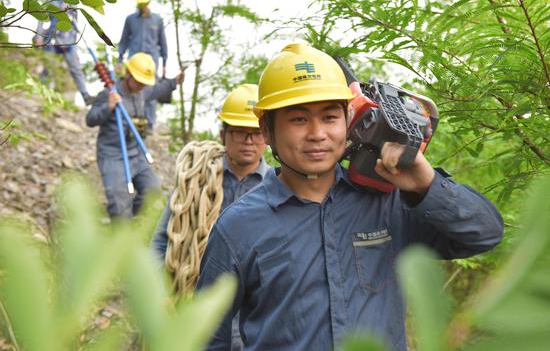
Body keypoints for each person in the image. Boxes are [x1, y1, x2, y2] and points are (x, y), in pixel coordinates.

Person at [196, 43, 504, 351]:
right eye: (299, 119)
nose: (317, 133)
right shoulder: (238, 227)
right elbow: (208, 337)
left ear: (349, 121)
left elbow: (484, 234)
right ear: (267, 129)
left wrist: (426, 183)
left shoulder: (390, 203)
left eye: (330, 117)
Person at [151, 84, 270, 351]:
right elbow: (162, 241)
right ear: (223, 134)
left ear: (268, 135)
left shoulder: (277, 187)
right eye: (239, 132)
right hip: (194, 305)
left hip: (251, 315)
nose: (249, 140)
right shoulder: (196, 182)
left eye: (256, 133)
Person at [86, 52, 183, 218]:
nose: (142, 85)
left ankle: (128, 215)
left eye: (145, 82)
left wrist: (174, 82)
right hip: (113, 155)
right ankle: (121, 227)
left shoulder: (142, 92)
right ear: (128, 74)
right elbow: (90, 120)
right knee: (119, 203)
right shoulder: (109, 94)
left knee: (152, 192)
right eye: (139, 81)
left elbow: (158, 89)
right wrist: (108, 107)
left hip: (136, 153)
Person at [117, 0, 168, 131]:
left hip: (151, 63)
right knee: (133, 90)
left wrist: (165, 63)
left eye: (143, 3)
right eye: (139, 3)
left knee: (150, 92)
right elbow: (124, 40)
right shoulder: (130, 19)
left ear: (148, 1)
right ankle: (132, 121)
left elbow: (162, 42)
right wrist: (120, 59)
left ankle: (149, 125)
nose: (141, 6)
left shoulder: (157, 20)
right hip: (134, 61)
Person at [34, 0, 94, 105]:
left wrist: (75, 41)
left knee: (76, 69)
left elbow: (75, 22)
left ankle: (86, 96)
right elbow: (41, 19)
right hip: (51, 40)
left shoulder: (73, 2)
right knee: (48, 68)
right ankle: (42, 95)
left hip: (69, 42)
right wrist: (39, 36)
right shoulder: (50, 0)